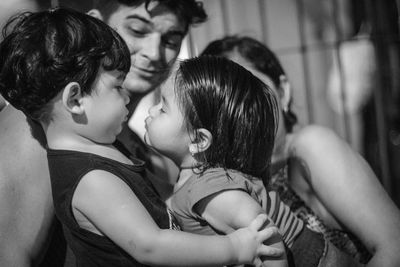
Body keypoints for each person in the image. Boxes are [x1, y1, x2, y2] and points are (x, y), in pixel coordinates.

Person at [0, 8, 284, 267]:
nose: (154, 52)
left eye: (171, 39)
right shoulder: (66, 160)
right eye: (137, 29)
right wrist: (233, 248)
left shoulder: (109, 144)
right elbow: (150, 245)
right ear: (74, 99)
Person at [144, 55, 363, 267]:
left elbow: (265, 233)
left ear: (199, 140)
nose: (151, 111)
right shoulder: (195, 179)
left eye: (163, 108)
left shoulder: (211, 191)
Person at [201, 35, 400, 267]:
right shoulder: (235, 180)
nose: (239, 107)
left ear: (283, 90)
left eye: (250, 87)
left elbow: (395, 246)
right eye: (223, 98)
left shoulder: (310, 147)